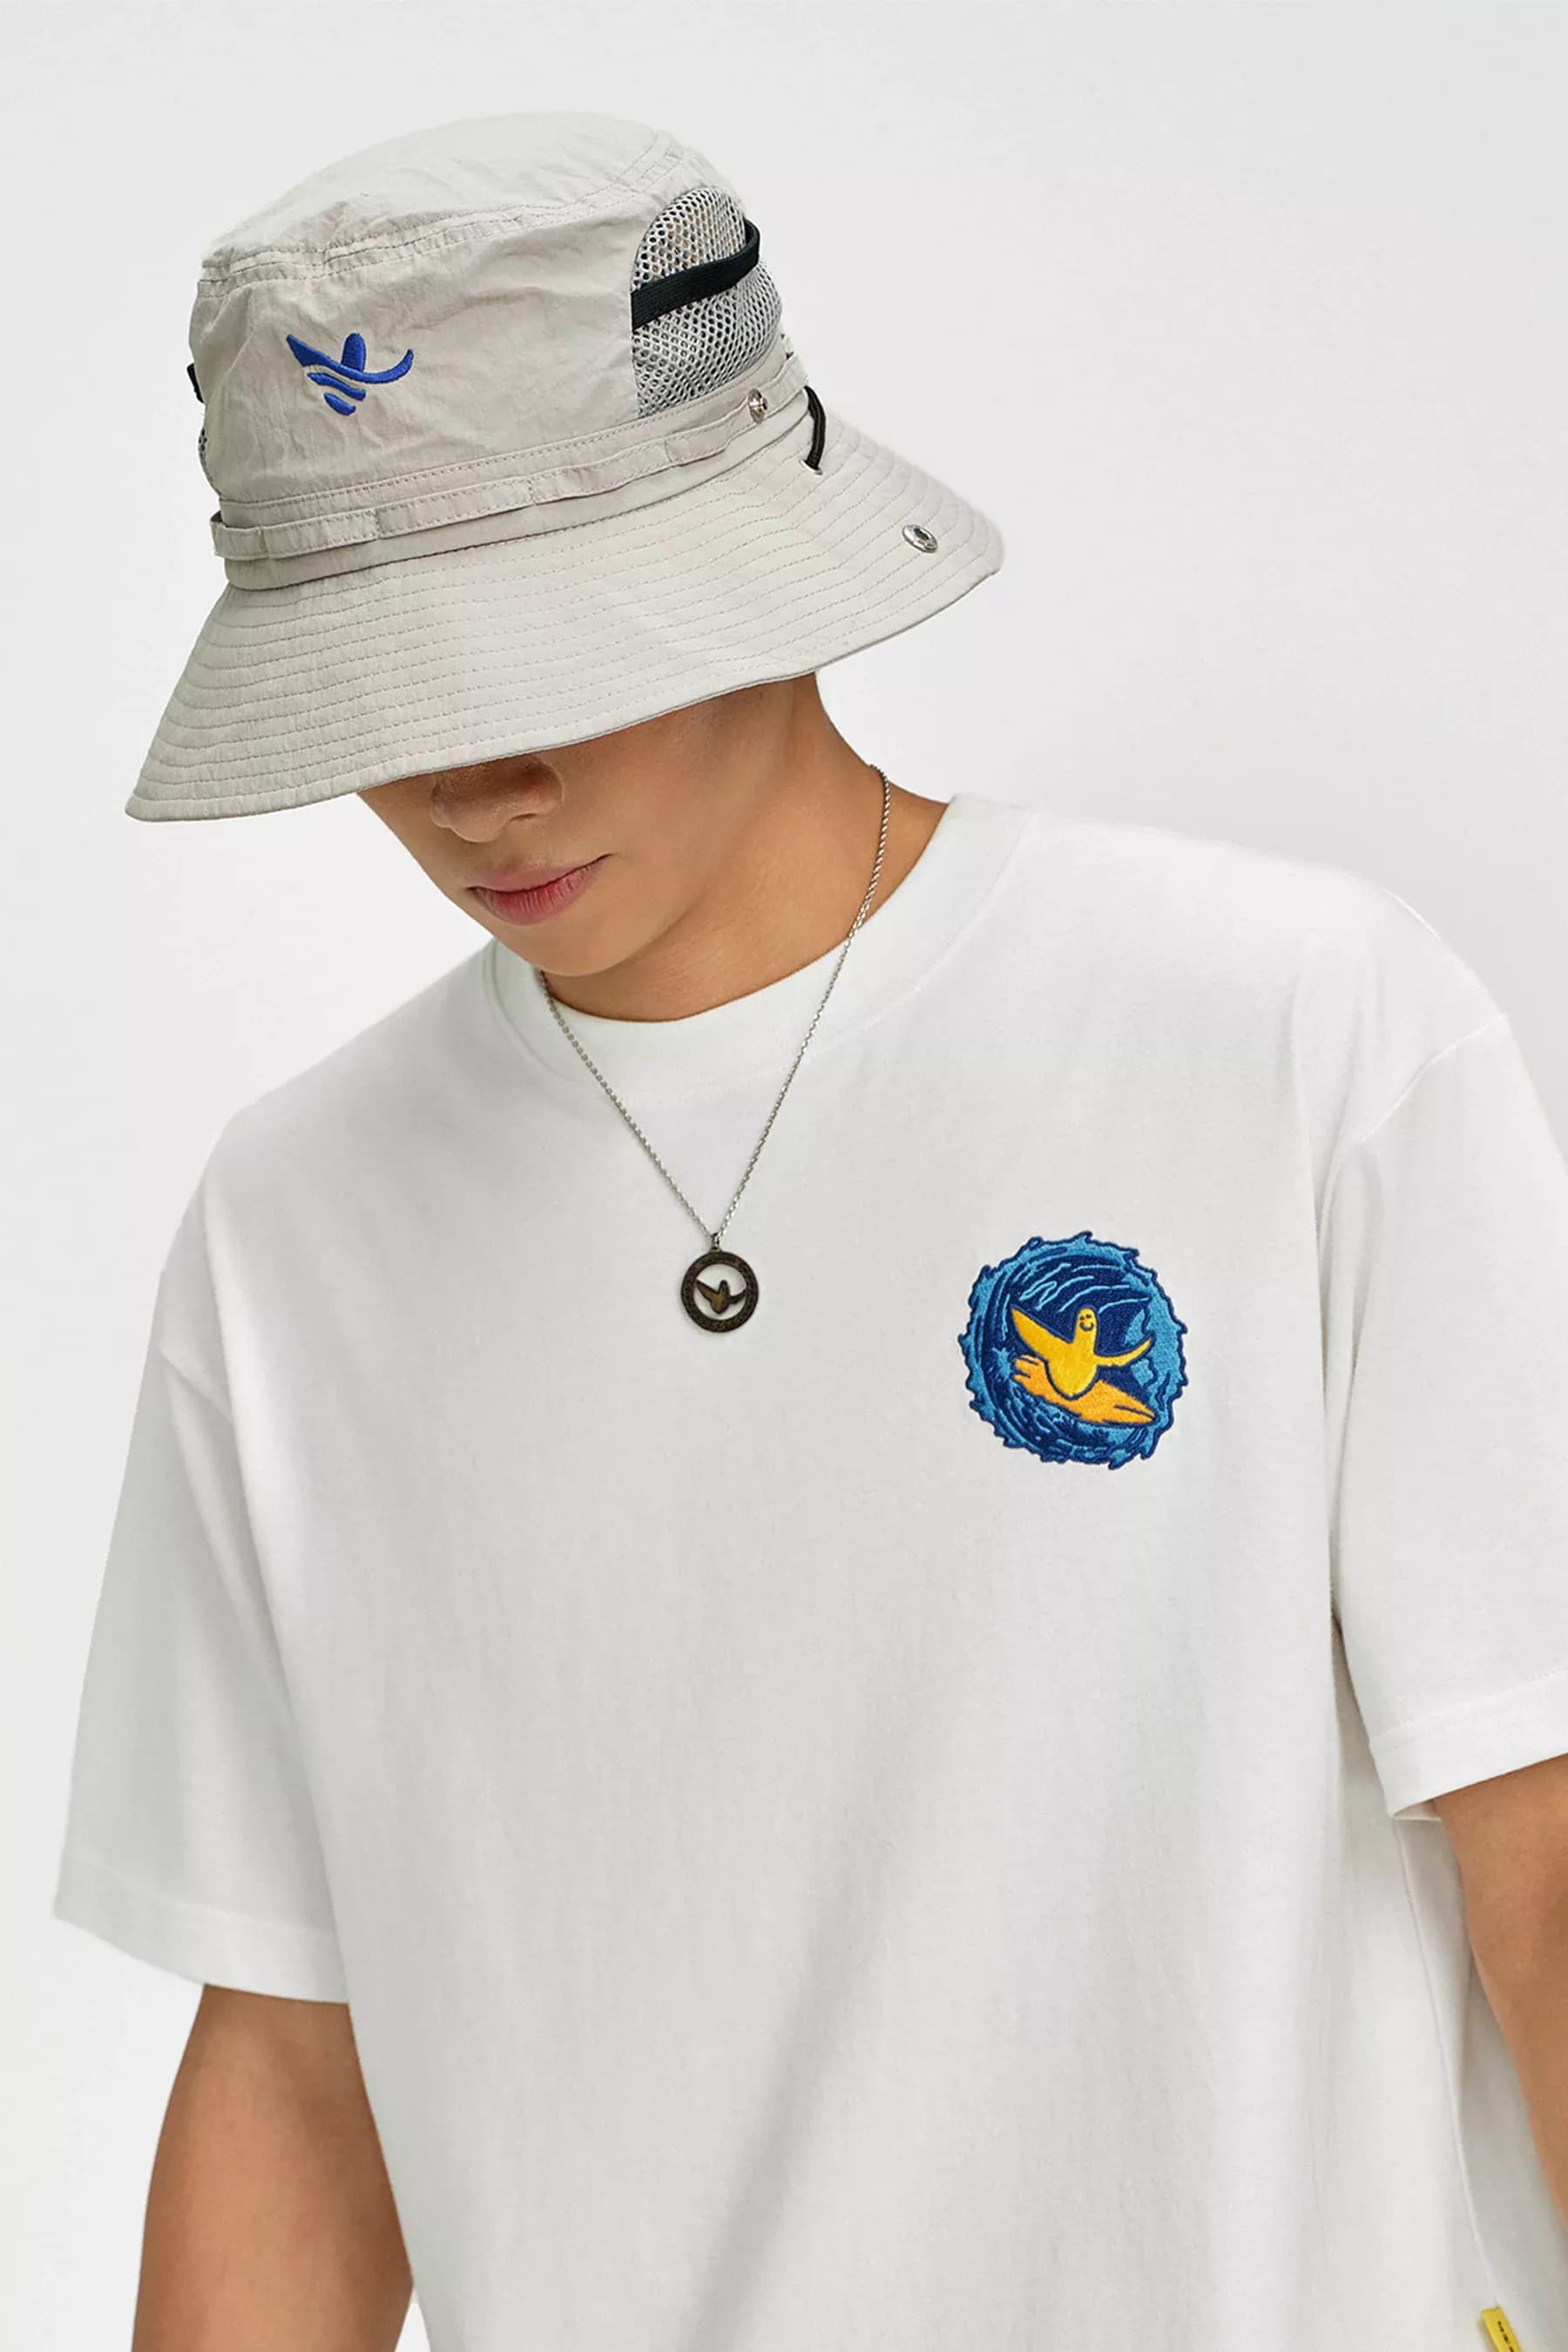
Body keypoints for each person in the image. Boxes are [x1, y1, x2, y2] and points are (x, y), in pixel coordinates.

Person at [53, 109, 1568, 2352]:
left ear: (752, 561)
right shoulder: (303, 1226)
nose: (473, 784)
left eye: (543, 655)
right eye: (383, 684)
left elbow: (1545, 1862)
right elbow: (296, 2067)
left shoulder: (1286, 1034)